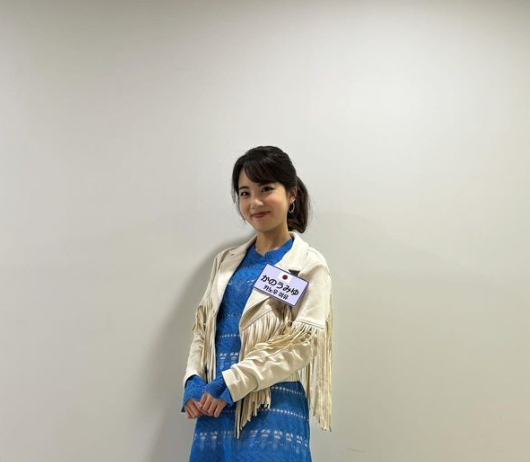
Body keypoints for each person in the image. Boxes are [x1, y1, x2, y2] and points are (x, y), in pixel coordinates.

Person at [181, 146, 333, 461]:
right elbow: (204, 329)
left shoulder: (307, 265)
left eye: (266, 189)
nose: (255, 202)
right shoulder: (226, 262)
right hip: (214, 406)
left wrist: (232, 382)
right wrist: (193, 378)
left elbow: (302, 344)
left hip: (269, 408)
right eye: (245, 193)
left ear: (291, 194)